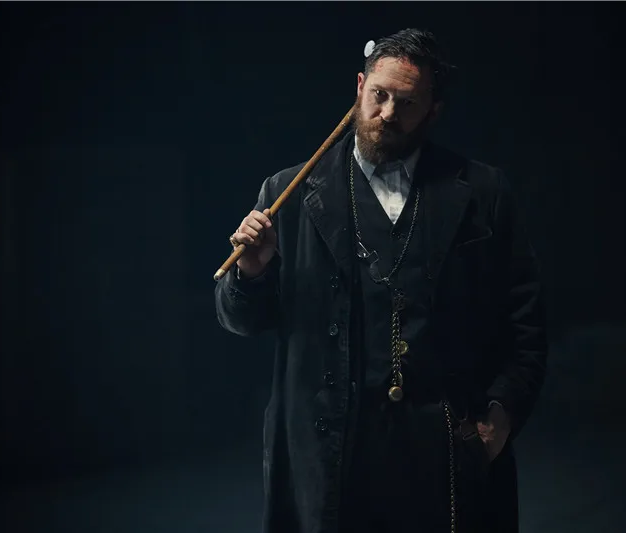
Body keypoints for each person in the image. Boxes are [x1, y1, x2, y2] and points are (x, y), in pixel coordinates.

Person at [215, 28, 547, 533]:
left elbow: (525, 322)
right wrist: (252, 270)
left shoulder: (482, 192)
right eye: (379, 95)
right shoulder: (290, 192)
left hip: (445, 451)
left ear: (433, 110)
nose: (389, 113)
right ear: (359, 87)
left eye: (407, 102)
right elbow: (240, 319)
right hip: (334, 454)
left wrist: (500, 415)